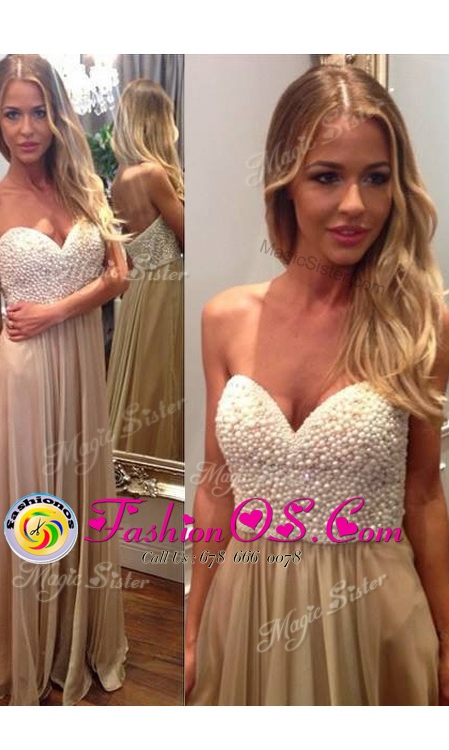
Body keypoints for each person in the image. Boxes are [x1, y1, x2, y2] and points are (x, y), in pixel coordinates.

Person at [185, 64, 449, 706]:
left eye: (376, 178)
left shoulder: (422, 324)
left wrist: (448, 639)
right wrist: (191, 632)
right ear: (286, 185)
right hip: (245, 609)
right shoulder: (224, 319)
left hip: (373, 615)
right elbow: (217, 489)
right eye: (327, 176)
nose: (355, 204)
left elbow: (422, 496)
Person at [0, 54, 130, 706]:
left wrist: (57, 310)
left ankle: (71, 639)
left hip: (81, 371)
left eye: (38, 111)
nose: (27, 128)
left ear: (57, 115)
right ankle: (24, 641)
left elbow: (119, 277)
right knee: (32, 507)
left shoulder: (89, 190)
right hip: (21, 379)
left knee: (77, 499)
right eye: (12, 114)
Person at [106, 79, 184, 462]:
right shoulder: (153, 174)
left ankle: (140, 470)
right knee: (166, 378)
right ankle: (169, 465)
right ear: (156, 122)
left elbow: (131, 250)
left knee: (146, 379)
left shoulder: (120, 179)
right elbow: (189, 236)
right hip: (168, 286)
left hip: (141, 290)